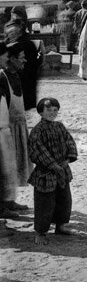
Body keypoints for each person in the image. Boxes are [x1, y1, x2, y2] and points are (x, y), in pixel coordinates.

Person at [27, 97, 79, 245]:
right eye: (48, 110)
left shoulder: (60, 126)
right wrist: (54, 166)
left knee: (64, 200)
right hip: (46, 173)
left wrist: (67, 160)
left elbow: (70, 142)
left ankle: (61, 225)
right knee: (45, 204)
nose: (52, 113)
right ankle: (40, 232)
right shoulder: (37, 131)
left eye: (55, 110)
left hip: (62, 171)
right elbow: (38, 152)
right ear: (40, 112)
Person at [3, 44, 32, 199]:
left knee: (13, 167)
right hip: (7, 130)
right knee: (5, 167)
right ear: (12, 59)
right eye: (22, 57)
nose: (24, 60)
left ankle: (10, 200)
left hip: (19, 128)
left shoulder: (17, 75)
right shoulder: (2, 77)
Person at [0, 44, 22, 222]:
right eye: (4, 56)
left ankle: (8, 202)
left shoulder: (3, 75)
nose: (6, 59)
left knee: (8, 167)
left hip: (5, 126)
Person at [4, 19, 43, 111]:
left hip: (21, 82)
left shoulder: (18, 45)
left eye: (11, 34)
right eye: (9, 34)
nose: (9, 36)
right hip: (26, 83)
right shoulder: (27, 43)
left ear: (18, 33)